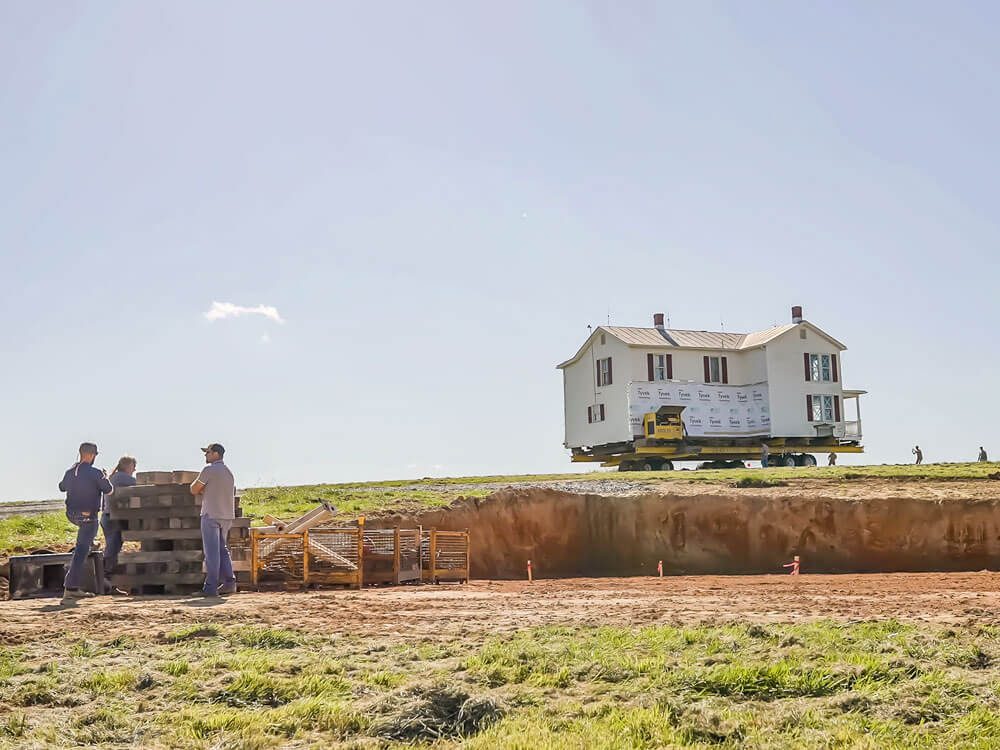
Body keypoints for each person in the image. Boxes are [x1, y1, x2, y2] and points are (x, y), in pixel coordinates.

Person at [58, 442, 113, 599]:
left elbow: (62, 487)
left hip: (72, 514)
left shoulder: (70, 472)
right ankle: (71, 588)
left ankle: (91, 543)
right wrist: (105, 477)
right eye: (95, 455)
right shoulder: (96, 473)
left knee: (85, 539)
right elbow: (109, 490)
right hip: (88, 516)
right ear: (91, 455)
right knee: (81, 551)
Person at [190, 443, 236, 597]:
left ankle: (210, 588)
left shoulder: (209, 470)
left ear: (216, 454)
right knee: (223, 550)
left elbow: (194, 489)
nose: (205, 455)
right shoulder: (229, 472)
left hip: (210, 515)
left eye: (208, 452)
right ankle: (229, 583)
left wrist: (204, 489)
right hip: (227, 516)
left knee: (212, 553)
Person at [102, 455, 136, 594]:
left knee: (112, 549)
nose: (134, 469)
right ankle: (104, 582)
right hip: (113, 519)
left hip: (107, 517)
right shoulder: (123, 477)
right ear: (128, 466)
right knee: (112, 551)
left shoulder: (114, 477)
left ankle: (108, 583)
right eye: (134, 466)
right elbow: (142, 485)